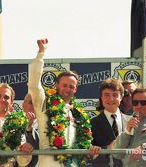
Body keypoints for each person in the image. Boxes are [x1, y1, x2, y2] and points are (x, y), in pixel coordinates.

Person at [27, 39, 93, 167]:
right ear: (56, 85)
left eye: (71, 86)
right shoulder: (45, 104)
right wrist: (41, 53)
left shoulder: (79, 114)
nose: (68, 89)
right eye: (64, 85)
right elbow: (34, 84)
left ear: (76, 89)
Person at [91, 87, 146, 167]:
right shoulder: (129, 123)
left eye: (143, 102)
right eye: (135, 103)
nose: (139, 106)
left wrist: (145, 147)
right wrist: (127, 132)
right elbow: (116, 154)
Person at [89, 78, 131, 167]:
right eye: (106, 95)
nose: (111, 99)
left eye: (115, 95)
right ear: (101, 97)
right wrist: (106, 148)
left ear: (122, 97)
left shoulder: (131, 121)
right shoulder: (92, 123)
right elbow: (87, 153)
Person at [22, 94, 39, 167]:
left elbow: (38, 146)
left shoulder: (44, 124)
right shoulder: (14, 120)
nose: (35, 106)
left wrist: (29, 128)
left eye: (36, 103)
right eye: (31, 103)